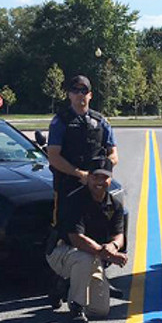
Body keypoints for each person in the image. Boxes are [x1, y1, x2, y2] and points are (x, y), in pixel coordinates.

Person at [46, 158, 127, 323]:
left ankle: (65, 284)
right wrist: (106, 253)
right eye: (95, 177)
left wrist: (113, 246)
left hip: (94, 255)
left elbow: (118, 235)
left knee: (100, 310)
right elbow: (76, 239)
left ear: (110, 179)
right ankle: (76, 307)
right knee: (84, 257)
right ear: (87, 177)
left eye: (104, 177)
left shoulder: (114, 204)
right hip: (62, 251)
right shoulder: (74, 200)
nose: (100, 182)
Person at [47, 75, 119, 221]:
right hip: (68, 186)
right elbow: (54, 157)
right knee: (66, 230)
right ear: (69, 95)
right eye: (75, 90)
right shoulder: (60, 121)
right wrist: (81, 174)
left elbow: (114, 155)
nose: (80, 94)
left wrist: (97, 175)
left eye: (84, 90)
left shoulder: (101, 122)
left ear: (90, 95)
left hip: (96, 188)